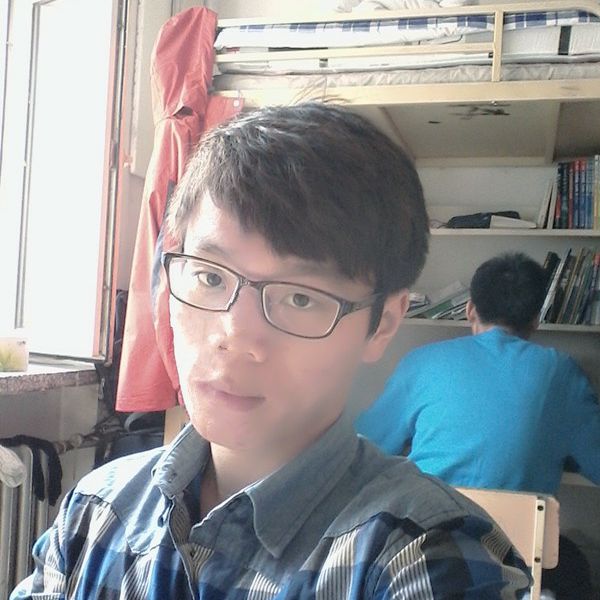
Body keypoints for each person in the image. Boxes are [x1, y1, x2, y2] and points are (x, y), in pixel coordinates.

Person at [11, 104, 530, 599]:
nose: (236, 336)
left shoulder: (423, 556)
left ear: (382, 324)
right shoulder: (95, 513)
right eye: (211, 277)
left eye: (300, 298)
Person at [355, 251, 600, 598]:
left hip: (423, 555)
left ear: (470, 309)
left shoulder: (423, 361)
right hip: (516, 561)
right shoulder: (561, 372)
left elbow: (364, 445)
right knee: (573, 561)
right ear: (536, 319)